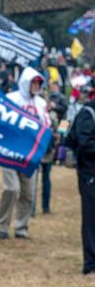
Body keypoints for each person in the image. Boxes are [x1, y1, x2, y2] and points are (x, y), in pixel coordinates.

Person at [0, 66, 49, 239]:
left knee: (28, 193)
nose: (36, 85)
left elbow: (46, 126)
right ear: (26, 82)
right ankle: (2, 226)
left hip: (30, 155)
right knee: (11, 189)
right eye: (33, 81)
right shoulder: (11, 99)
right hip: (11, 152)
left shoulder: (41, 104)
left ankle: (21, 227)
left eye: (38, 82)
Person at [65, 83, 95, 275]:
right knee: (91, 218)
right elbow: (85, 143)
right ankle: (91, 263)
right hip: (90, 173)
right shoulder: (88, 113)